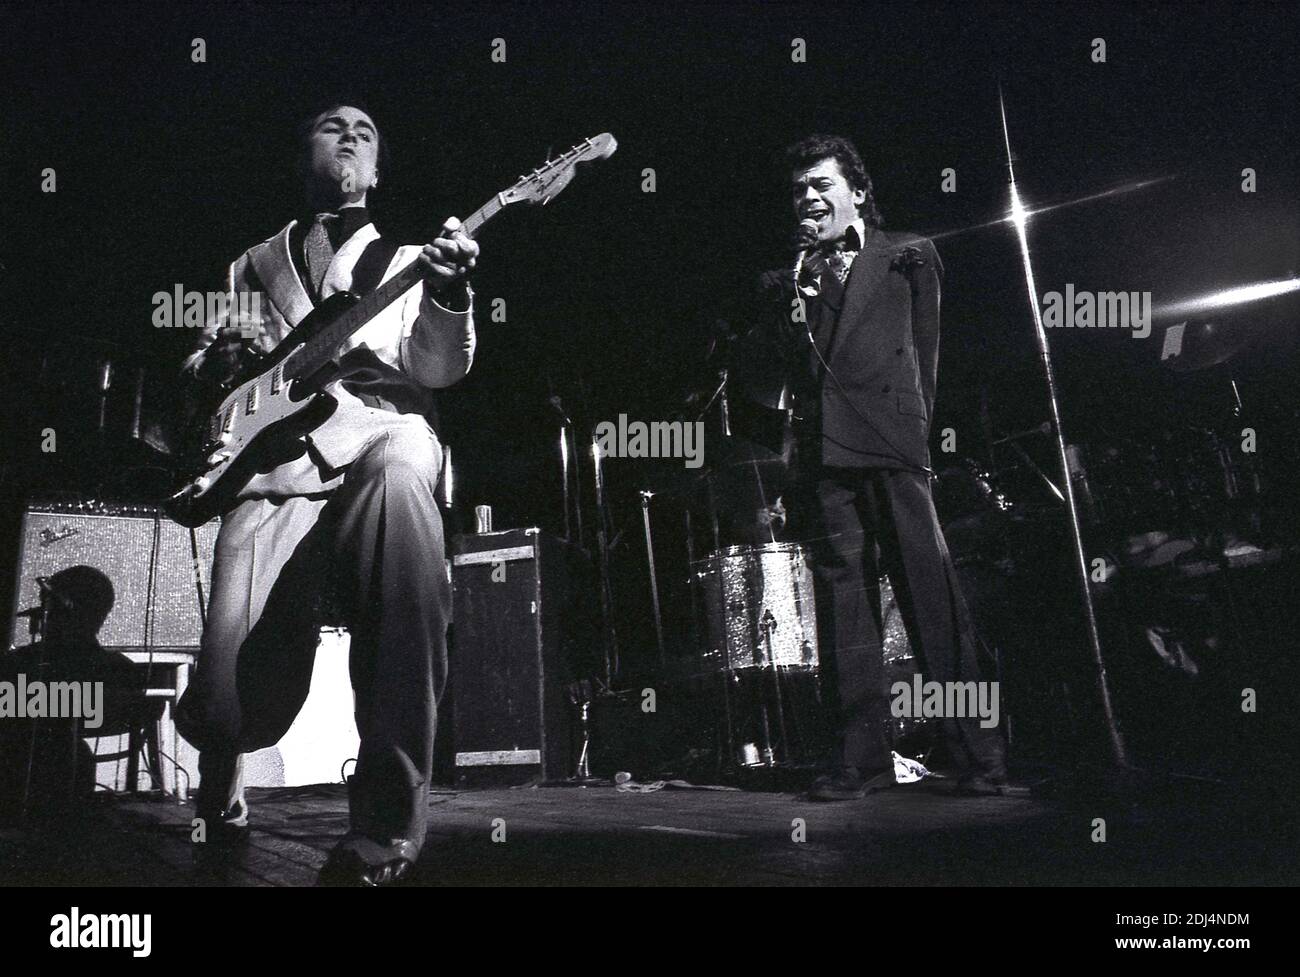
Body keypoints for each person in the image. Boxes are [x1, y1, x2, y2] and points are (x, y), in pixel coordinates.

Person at [174, 99, 479, 884]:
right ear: (299, 153)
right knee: (226, 692)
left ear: (377, 172)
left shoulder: (409, 257)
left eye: (367, 132)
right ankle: (221, 780)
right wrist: (215, 368)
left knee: (408, 491)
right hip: (278, 463)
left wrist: (448, 296)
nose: (350, 135)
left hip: (380, 431)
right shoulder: (248, 266)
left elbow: (436, 366)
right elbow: (207, 369)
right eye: (331, 126)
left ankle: (386, 827)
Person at [735, 134, 1008, 800]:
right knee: (843, 609)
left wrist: (911, 433)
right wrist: (793, 294)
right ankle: (859, 759)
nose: (809, 198)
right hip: (825, 454)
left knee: (930, 597)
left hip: (891, 443)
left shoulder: (909, 255)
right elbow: (773, 372)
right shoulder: (784, 280)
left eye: (822, 185)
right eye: (800, 189)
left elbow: (926, 352)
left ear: (858, 191)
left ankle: (979, 752)